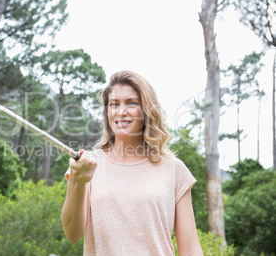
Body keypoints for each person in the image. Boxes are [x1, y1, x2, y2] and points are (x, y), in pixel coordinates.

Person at [61, 70, 203, 255]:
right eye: (114, 104)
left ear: (146, 110)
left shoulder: (174, 169)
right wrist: (78, 181)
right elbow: (72, 234)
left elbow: (190, 247)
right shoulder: (88, 165)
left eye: (131, 103)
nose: (121, 112)